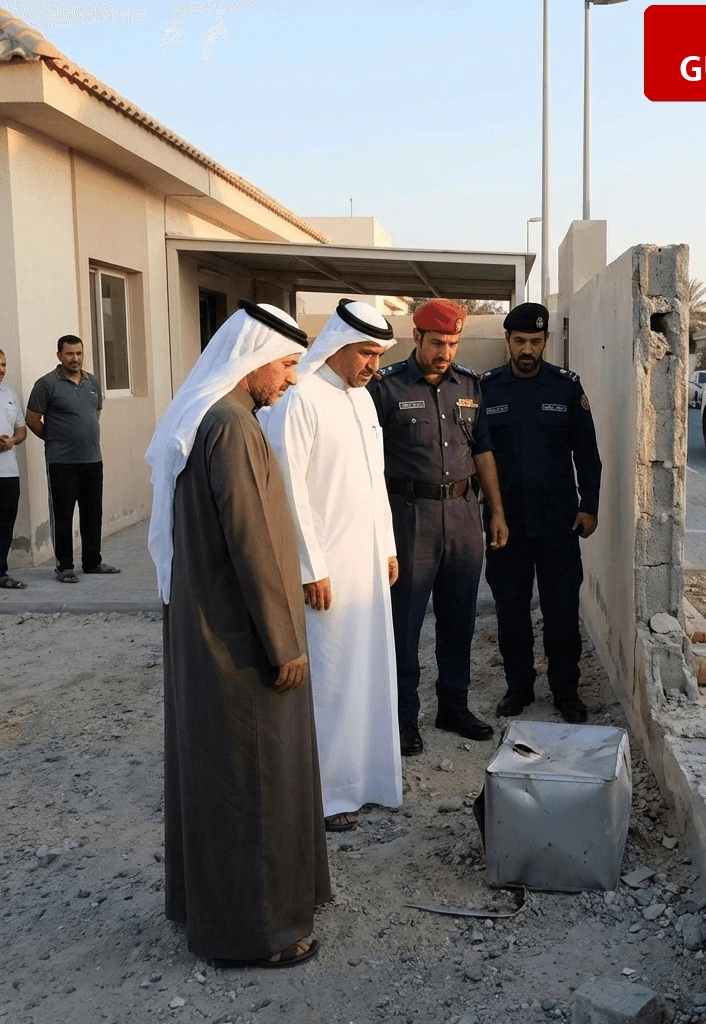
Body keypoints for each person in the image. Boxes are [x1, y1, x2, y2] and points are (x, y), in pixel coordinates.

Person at [146, 300, 330, 967]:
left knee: (220, 774)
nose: (291, 378)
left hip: (210, 627)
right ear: (252, 359)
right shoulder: (231, 426)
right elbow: (252, 545)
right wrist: (283, 643)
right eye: (285, 364)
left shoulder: (215, 416)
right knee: (254, 781)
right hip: (239, 641)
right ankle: (256, 935)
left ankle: (214, 910)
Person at [263, 300, 402, 833]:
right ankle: (327, 794)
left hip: (366, 564)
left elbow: (374, 482)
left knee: (368, 673)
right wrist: (309, 566)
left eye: (379, 354)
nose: (373, 365)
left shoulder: (363, 399)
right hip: (326, 571)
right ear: (338, 346)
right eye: (365, 353)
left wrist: (387, 545)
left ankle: (368, 779)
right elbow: (289, 488)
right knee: (333, 678)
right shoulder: (301, 398)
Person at [367, 298, 509, 757]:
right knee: (405, 623)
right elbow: (366, 460)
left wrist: (497, 512)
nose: (444, 353)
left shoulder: (470, 385)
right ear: (416, 337)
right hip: (409, 517)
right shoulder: (385, 387)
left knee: (459, 619)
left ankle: (453, 706)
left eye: (452, 343)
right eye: (436, 343)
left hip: (463, 515)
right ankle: (403, 718)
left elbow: (482, 449)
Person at [480, 303, 602, 724]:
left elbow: (587, 454)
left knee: (562, 612)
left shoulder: (566, 388)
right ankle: (519, 687)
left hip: (557, 524)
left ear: (545, 340)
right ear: (508, 341)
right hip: (506, 526)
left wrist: (590, 506)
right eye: (520, 341)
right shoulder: (488, 389)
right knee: (511, 610)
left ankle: (566, 691)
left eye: (535, 341)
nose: (527, 349)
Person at [25, 335, 119, 582]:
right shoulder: (46, 384)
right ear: (59, 355)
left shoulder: (92, 382)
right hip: (61, 462)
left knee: (92, 513)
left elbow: (95, 413)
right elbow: (32, 419)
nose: (75, 358)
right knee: (63, 515)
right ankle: (64, 567)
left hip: (92, 459)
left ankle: (92, 562)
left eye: (79, 353)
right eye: (69, 354)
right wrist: (54, 439)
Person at [0, 349, 28, 589]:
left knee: (5, 526)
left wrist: (13, 441)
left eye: (3, 365)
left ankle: (1, 572)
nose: (1, 370)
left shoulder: (10, 395)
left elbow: (21, 429)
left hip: (9, 472)